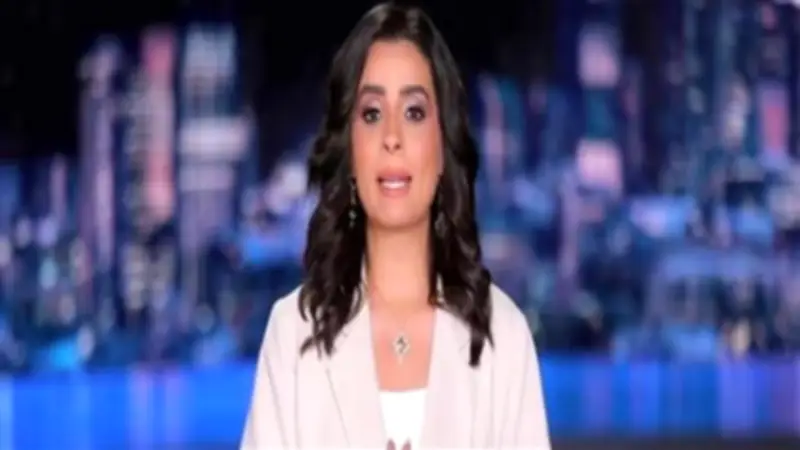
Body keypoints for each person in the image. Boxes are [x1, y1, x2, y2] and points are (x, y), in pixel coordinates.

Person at [241, 3, 551, 449]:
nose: (392, 137)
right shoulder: (293, 331)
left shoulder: (503, 334)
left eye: (414, 113)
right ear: (349, 149)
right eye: (371, 114)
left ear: (443, 146)